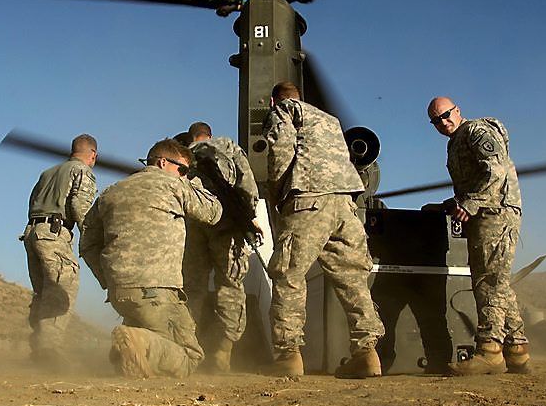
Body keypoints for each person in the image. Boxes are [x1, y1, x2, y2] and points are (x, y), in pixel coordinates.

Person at [262, 81, 385, 378]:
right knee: (353, 278)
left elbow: (280, 152)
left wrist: (277, 193)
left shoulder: (285, 111)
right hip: (345, 204)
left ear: (272, 101)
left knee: (289, 273)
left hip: (308, 200)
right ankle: (367, 353)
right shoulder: (329, 121)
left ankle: (288, 355)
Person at [79, 138, 222, 378]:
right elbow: (213, 212)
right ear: (163, 162)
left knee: (151, 347)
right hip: (157, 292)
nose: (183, 175)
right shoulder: (173, 186)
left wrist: (108, 278)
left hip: (120, 293)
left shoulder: (111, 191)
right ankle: (139, 341)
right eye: (183, 170)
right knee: (189, 356)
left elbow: (87, 243)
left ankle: (132, 347)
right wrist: (193, 182)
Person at [427, 96, 530, 374]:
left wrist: (470, 203)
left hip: (496, 212)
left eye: (446, 115)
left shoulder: (476, 131)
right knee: (496, 280)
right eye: (435, 120)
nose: (442, 122)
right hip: (484, 213)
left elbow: (495, 170)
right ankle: (517, 349)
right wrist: (455, 203)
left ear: (457, 110)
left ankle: (490, 350)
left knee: (488, 280)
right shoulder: (455, 142)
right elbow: (472, 182)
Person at [181, 121, 262, 372]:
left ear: (190, 137)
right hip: (226, 223)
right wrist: (250, 217)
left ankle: (186, 349)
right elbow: (246, 182)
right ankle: (222, 352)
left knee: (192, 287)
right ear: (209, 135)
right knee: (230, 284)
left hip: (193, 224)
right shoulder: (227, 146)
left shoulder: (181, 155)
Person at [21, 133, 98, 370]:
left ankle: (39, 347)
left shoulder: (47, 173)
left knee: (43, 292)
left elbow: (32, 201)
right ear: (93, 155)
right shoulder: (82, 172)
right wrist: (93, 236)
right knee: (61, 289)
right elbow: (79, 206)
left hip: (32, 232)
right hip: (55, 233)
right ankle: (49, 350)